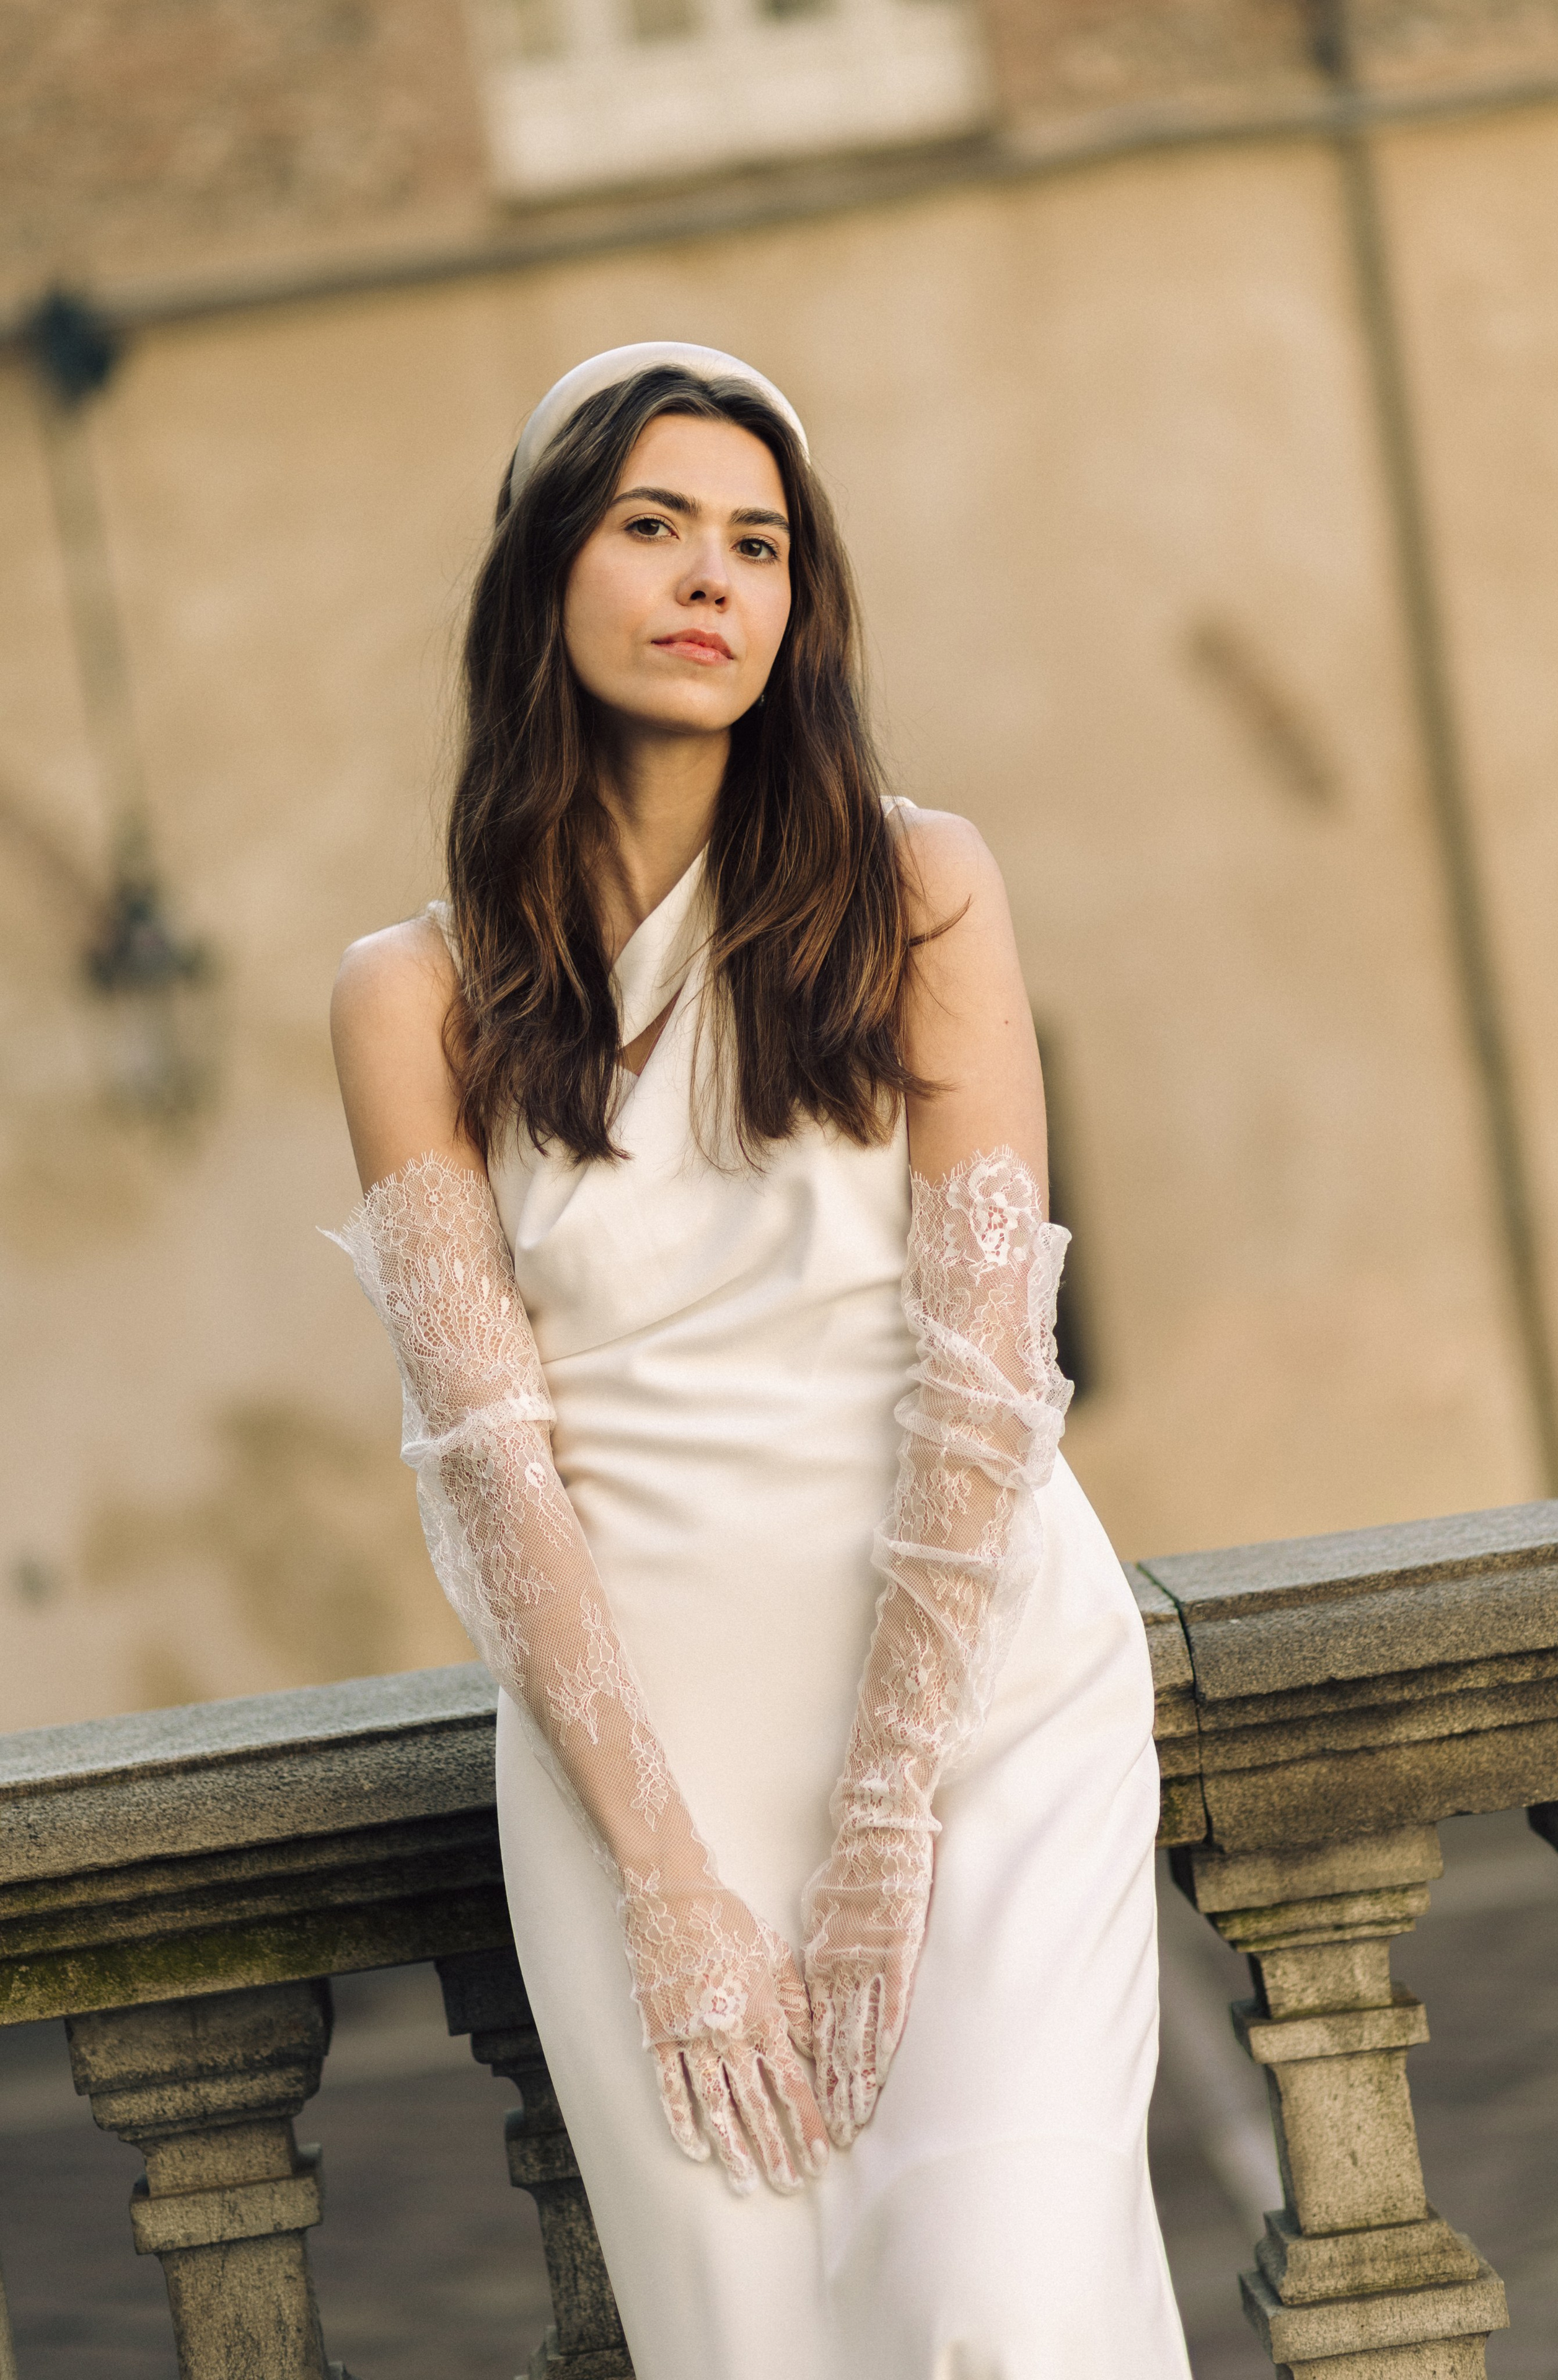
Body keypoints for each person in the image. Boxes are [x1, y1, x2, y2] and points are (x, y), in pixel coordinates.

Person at [329, 342, 1189, 2379]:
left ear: (801, 609)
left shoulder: (919, 888)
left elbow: (987, 1378)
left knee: (1007, 2309)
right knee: (765, 2348)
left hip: (977, 1701)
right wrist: (671, 1886)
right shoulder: (412, 998)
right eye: (652, 530)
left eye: (759, 544)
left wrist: (895, 1813)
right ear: (546, 575)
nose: (712, 580)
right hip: (647, 1755)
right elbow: (487, 1461)